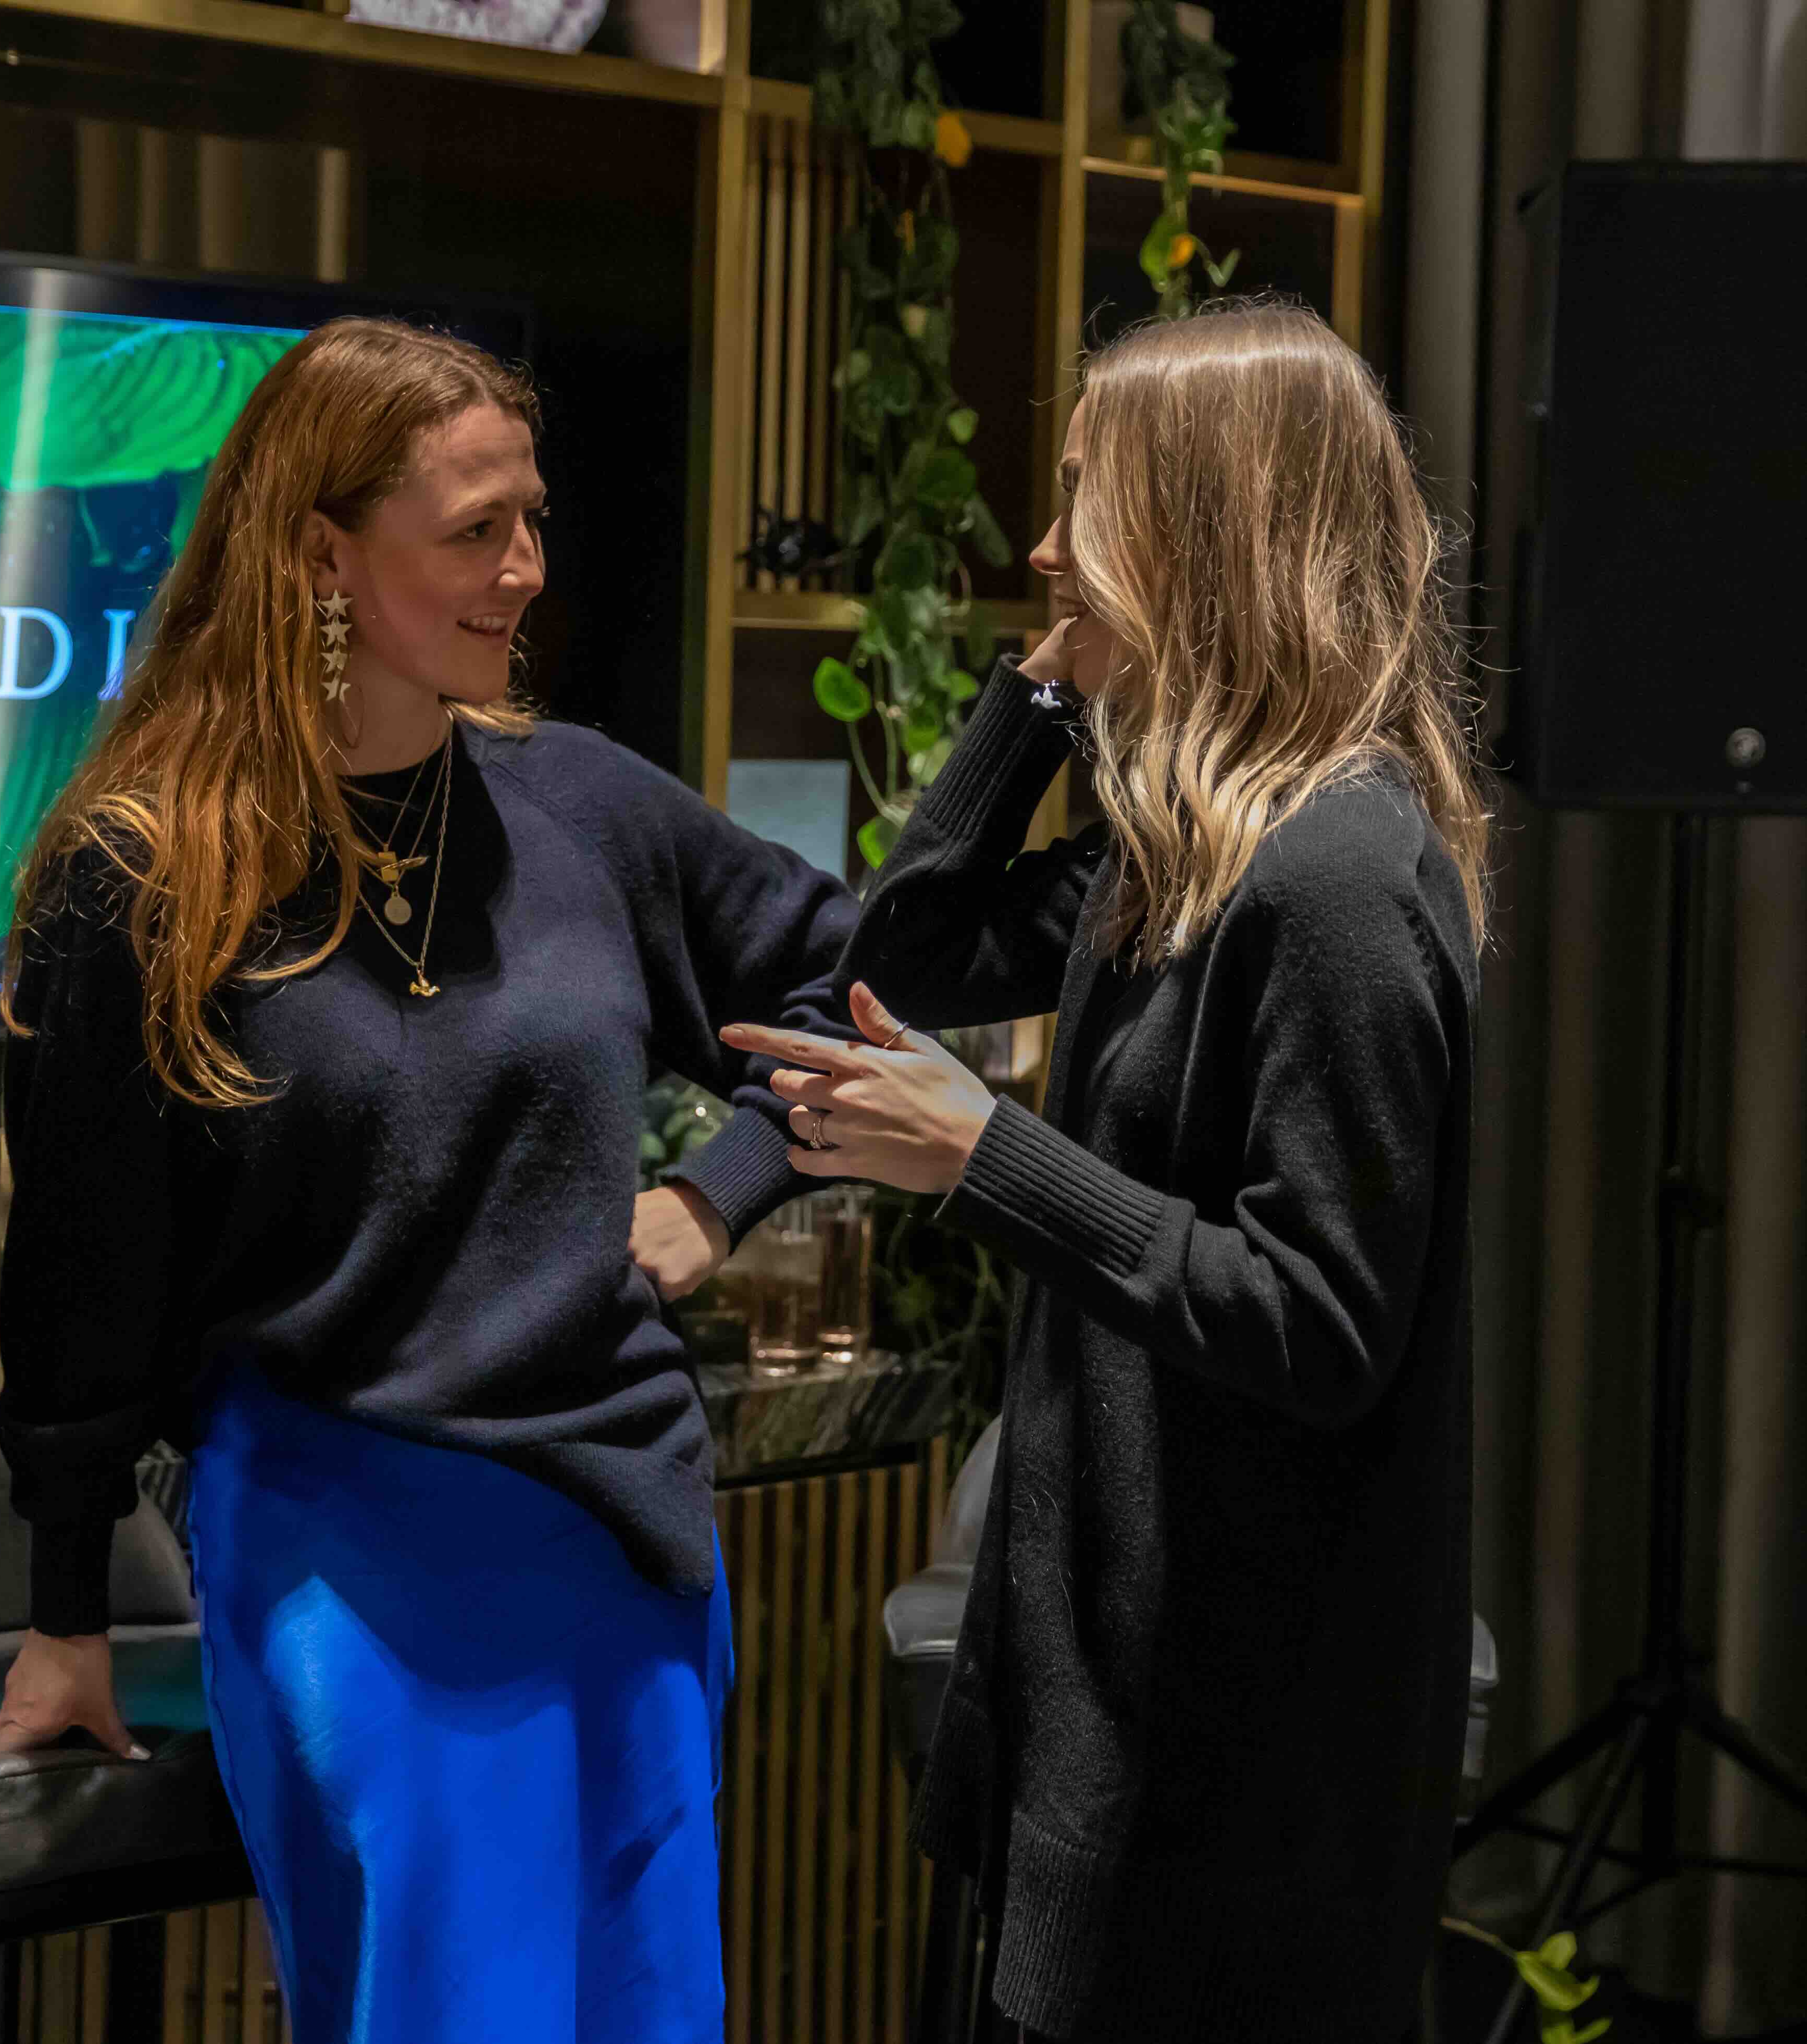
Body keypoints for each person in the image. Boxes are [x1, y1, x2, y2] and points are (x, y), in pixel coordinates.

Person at [0, 317, 858, 2043]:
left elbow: (849, 982)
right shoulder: (145, 870)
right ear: (321, 551)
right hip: (347, 1549)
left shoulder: (579, 802)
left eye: (532, 522)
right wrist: (62, 1613)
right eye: (474, 530)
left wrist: (723, 1188)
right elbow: (82, 1280)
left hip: (619, 1534)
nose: (523, 569)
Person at [723, 301, 1486, 2043]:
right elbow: (908, 951)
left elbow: (1318, 1322)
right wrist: (1039, 686)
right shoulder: (1179, 853)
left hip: (1236, 1764)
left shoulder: (1339, 879)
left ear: (1204, 530)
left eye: (1082, 497)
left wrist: (984, 1153)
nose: (1041, 547)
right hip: (1118, 1712)